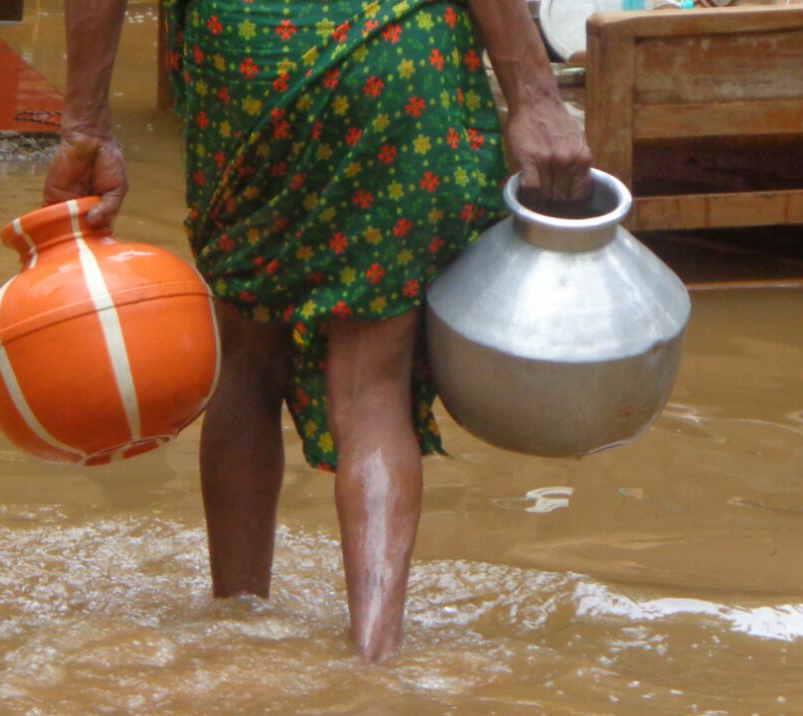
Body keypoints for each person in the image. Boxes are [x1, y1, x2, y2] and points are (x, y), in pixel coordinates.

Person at [44, 0, 591, 662]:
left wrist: (86, 126)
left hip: (245, 63)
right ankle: (374, 659)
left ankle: (235, 628)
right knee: (372, 385)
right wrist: (533, 94)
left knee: (244, 361)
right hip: (391, 59)